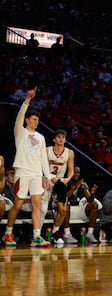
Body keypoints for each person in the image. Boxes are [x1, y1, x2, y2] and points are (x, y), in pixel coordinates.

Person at [3, 87, 57, 248]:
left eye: (37, 120)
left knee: (37, 205)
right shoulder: (20, 131)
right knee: (18, 205)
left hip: (36, 174)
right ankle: (8, 233)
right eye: (33, 119)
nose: (36, 122)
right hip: (22, 172)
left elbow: (43, 158)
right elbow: (19, 116)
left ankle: (36, 236)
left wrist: (48, 176)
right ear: (27, 120)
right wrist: (27, 99)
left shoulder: (41, 137)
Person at [44, 129, 77, 244]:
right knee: (42, 209)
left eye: (63, 137)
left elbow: (71, 170)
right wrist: (48, 177)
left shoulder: (70, 153)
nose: (61, 139)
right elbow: (41, 166)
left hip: (59, 183)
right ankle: (37, 234)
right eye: (58, 137)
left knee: (63, 209)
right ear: (54, 139)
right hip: (46, 180)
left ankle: (55, 231)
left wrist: (67, 180)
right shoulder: (46, 150)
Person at [66, 167, 100, 243]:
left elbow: (90, 200)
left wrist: (92, 194)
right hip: (66, 210)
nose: (76, 174)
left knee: (94, 205)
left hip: (78, 210)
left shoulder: (82, 185)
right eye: (74, 172)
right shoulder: (65, 183)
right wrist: (75, 188)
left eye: (78, 172)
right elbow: (65, 197)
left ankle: (90, 233)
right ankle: (67, 234)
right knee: (66, 205)